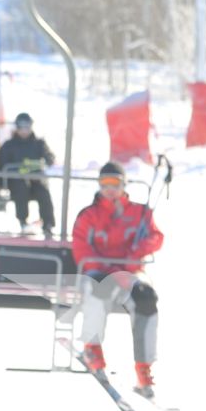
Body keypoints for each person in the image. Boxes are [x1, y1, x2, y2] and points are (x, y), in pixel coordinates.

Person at [69, 162, 164, 395]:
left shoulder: (140, 213)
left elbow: (156, 237)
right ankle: (93, 350)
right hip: (99, 271)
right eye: (105, 184)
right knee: (97, 290)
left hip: (128, 273)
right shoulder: (89, 215)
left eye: (114, 183)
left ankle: (144, 366)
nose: (109, 189)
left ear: (123, 185)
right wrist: (107, 270)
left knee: (146, 299)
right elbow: (81, 250)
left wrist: (135, 254)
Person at [0, 111, 56, 237]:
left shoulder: (38, 143)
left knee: (43, 192)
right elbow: (2, 165)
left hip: (35, 180)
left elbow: (49, 157)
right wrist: (18, 171)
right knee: (21, 188)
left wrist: (46, 159)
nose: (24, 130)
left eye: (27, 127)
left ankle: (48, 224)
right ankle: (23, 221)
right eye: (21, 127)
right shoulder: (9, 145)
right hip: (16, 182)